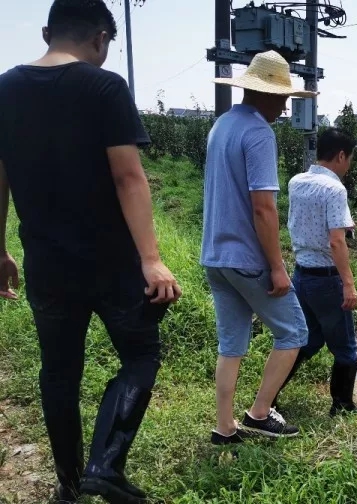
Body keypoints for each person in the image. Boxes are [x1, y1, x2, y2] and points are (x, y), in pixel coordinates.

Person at [0, 1, 182, 502]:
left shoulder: (4, 88)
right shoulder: (104, 87)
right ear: (101, 38)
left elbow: (0, 178)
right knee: (141, 354)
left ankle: (69, 484)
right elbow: (129, 176)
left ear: (45, 32)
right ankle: (106, 465)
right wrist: (150, 258)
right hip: (111, 265)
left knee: (59, 372)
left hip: (47, 264)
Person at [200, 51, 316, 445]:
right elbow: (263, 208)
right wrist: (278, 267)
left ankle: (224, 425)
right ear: (264, 93)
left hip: (216, 256)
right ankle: (259, 413)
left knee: (231, 342)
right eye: (283, 97)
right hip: (248, 259)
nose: (285, 106)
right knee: (294, 332)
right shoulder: (258, 133)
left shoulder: (222, 125)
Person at [272, 127, 357, 416]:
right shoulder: (335, 188)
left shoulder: (297, 181)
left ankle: (269, 395)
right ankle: (343, 405)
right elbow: (336, 241)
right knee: (346, 347)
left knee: (308, 339)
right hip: (326, 278)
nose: (349, 165)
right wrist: (348, 284)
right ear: (340, 155)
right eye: (349, 158)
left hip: (302, 276)